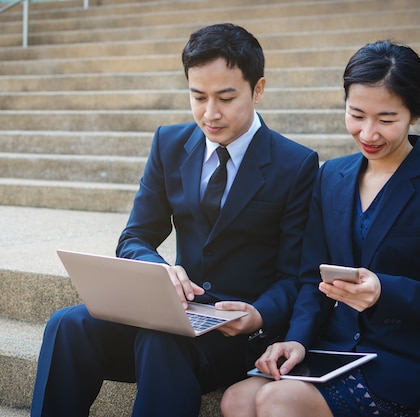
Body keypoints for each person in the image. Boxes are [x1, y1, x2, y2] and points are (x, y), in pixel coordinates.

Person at [30, 23, 318, 417]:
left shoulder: (296, 164)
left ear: (259, 89)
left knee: (160, 341)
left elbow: (295, 275)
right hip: (171, 315)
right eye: (198, 96)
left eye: (225, 98)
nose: (210, 113)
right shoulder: (169, 143)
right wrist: (158, 271)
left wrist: (258, 315)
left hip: (236, 334)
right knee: (68, 325)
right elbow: (135, 236)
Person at [220, 40, 420, 417]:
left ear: (415, 114)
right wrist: (296, 341)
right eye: (356, 114)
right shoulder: (331, 176)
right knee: (236, 398)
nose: (368, 133)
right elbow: (312, 277)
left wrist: (384, 291)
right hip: (332, 350)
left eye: (387, 119)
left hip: (404, 364)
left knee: (277, 401)